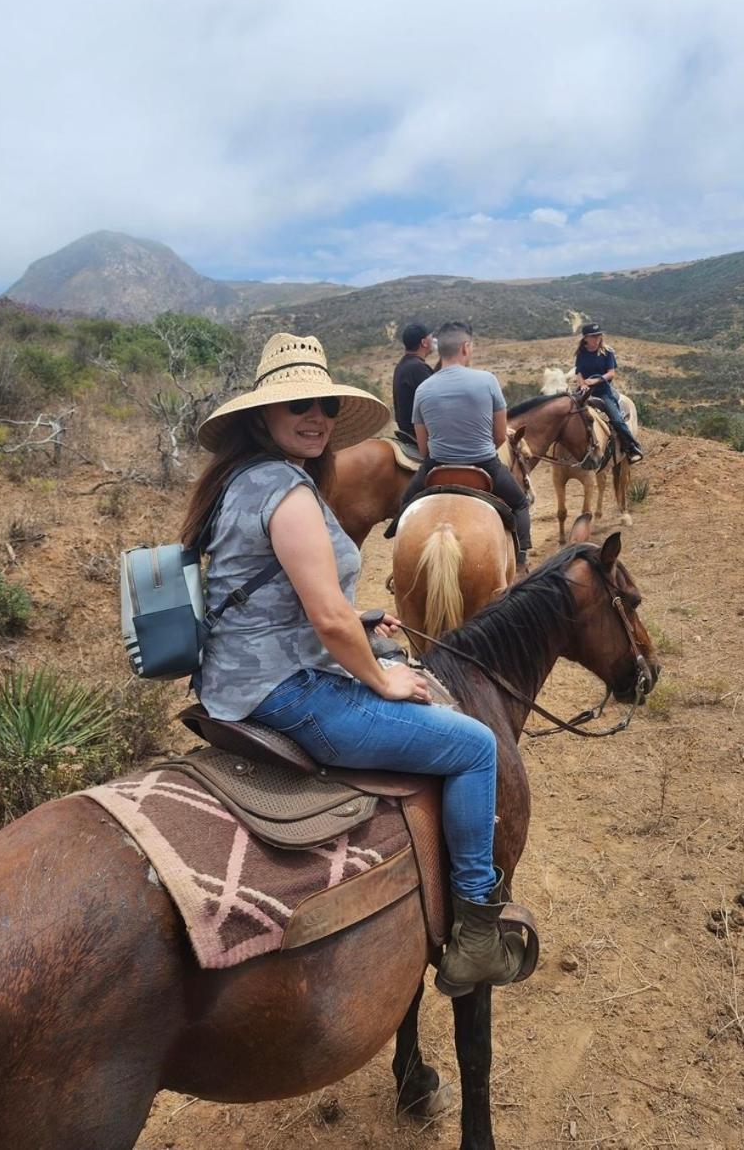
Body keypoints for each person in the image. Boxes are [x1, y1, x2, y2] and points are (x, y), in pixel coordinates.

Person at [181, 331, 526, 997]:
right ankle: (478, 934)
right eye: (298, 406)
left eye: (325, 407)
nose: (316, 418)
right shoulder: (285, 491)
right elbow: (326, 618)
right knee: (476, 746)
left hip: (246, 672)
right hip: (282, 690)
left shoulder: (246, 479)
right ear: (263, 415)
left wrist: (363, 620)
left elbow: (279, 596)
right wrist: (381, 673)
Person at [401, 320, 532, 572]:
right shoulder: (488, 381)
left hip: (436, 465)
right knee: (520, 503)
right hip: (484, 464)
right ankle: (521, 562)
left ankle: (403, 563)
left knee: (406, 502)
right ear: (465, 347)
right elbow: (500, 436)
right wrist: (479, 449)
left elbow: (423, 446)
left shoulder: (423, 389)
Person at [573, 322, 644, 463]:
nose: (597, 338)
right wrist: (582, 384)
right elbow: (579, 372)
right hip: (585, 391)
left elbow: (611, 373)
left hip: (603, 392)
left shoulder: (607, 352)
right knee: (568, 413)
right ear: (585, 338)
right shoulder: (581, 353)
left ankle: (632, 447)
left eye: (598, 335)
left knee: (617, 420)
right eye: (593, 336)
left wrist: (596, 380)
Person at [392, 321, 435, 440]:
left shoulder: (405, 364)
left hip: (406, 429)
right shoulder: (417, 368)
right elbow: (438, 399)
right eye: (431, 337)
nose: (434, 340)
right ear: (424, 342)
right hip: (417, 433)